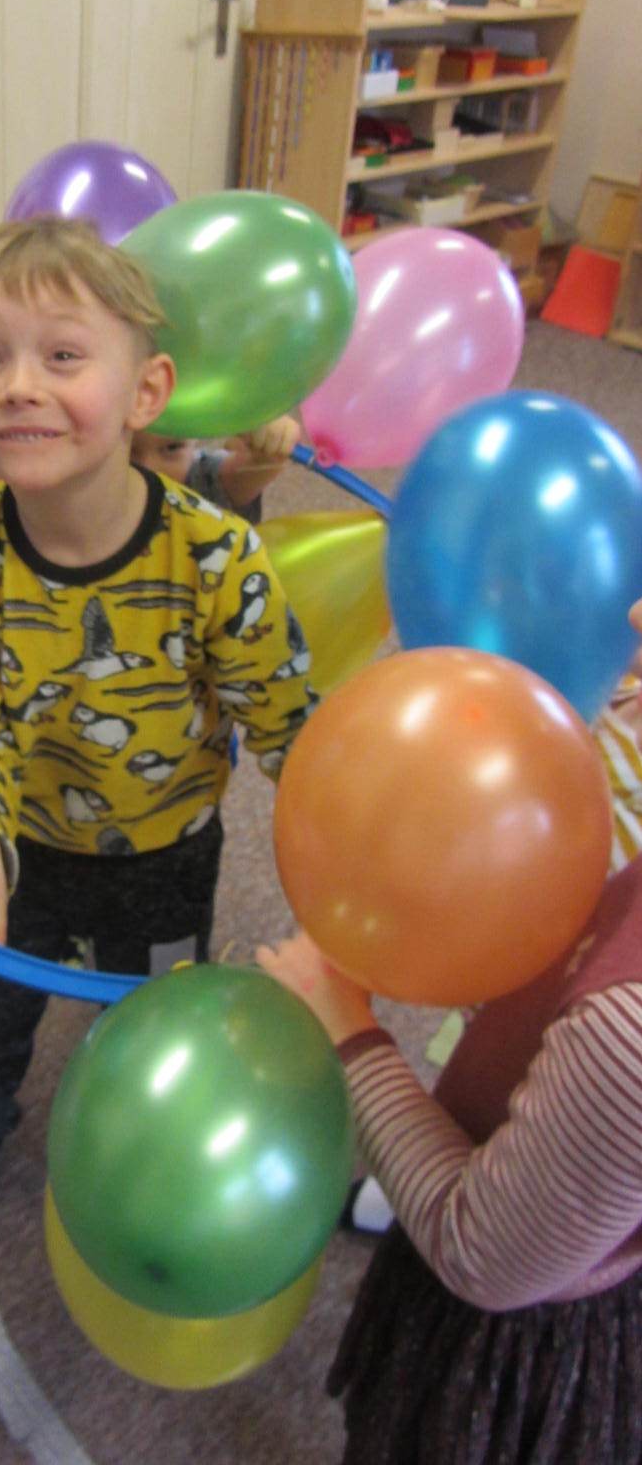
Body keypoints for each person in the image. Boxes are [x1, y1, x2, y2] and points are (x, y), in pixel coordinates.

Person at [0, 215, 317, 1249]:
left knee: (155, 1011)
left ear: (145, 394)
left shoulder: (217, 557)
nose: (19, 386)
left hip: (168, 850)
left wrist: (351, 840)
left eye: (63, 357)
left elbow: (286, 722)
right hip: (20, 850)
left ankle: (139, 1147)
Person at [256, 610, 642, 1465]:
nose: (634, 612)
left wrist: (349, 1034)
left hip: (519, 1327)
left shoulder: (629, 1037)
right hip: (550, 1176)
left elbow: (483, 1253)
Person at [130, 413, 301, 524]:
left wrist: (270, 446)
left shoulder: (199, 480)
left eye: (172, 447)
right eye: (126, 448)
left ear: (194, 439)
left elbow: (252, 471)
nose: (148, 469)